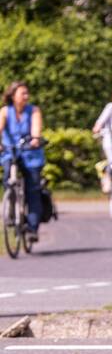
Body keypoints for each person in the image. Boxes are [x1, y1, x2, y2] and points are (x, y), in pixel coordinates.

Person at [0, 81, 45, 244]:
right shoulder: (5, 112)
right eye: (22, 93)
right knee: (8, 177)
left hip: (30, 154)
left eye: (27, 93)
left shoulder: (33, 111)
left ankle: (32, 228)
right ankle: (10, 208)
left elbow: (36, 129)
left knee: (33, 189)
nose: (26, 96)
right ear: (13, 96)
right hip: (10, 152)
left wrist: (35, 139)